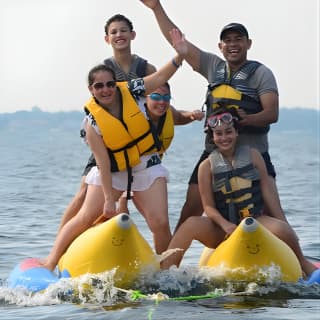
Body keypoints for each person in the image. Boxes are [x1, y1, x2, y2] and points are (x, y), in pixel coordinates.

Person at [42, 36, 185, 271]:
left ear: (115, 83)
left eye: (109, 84)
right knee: (86, 216)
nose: (106, 90)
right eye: (99, 86)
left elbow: (159, 78)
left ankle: (165, 272)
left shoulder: (134, 90)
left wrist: (179, 56)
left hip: (145, 165)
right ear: (91, 90)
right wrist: (109, 199)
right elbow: (102, 164)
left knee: (160, 222)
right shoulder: (92, 124)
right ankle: (51, 261)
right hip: (115, 170)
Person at [138, 0, 282, 232]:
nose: (233, 44)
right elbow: (179, 42)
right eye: (228, 40)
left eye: (238, 39)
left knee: (274, 210)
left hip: (254, 153)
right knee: (190, 208)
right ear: (220, 46)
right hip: (214, 151)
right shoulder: (213, 66)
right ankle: (170, 260)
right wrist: (156, 7)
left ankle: (297, 261)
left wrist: (247, 120)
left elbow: (272, 113)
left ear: (248, 43)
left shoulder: (261, 74)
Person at [161, 108, 317, 278]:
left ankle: (303, 264)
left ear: (236, 133)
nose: (224, 137)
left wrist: (283, 223)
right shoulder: (206, 167)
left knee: (283, 229)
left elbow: (268, 194)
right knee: (190, 224)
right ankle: (166, 274)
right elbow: (208, 207)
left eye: (228, 132)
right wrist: (225, 224)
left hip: (255, 221)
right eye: (218, 133)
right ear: (212, 137)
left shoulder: (254, 155)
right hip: (223, 229)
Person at [58, 14, 157, 231]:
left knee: (124, 199)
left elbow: (159, 103)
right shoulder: (104, 71)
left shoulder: (147, 70)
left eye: (123, 30)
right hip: (108, 140)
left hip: (138, 142)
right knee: (84, 190)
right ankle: (62, 245)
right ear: (107, 39)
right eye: (113, 32)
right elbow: (95, 107)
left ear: (133, 35)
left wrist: (184, 116)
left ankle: (117, 240)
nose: (119, 35)